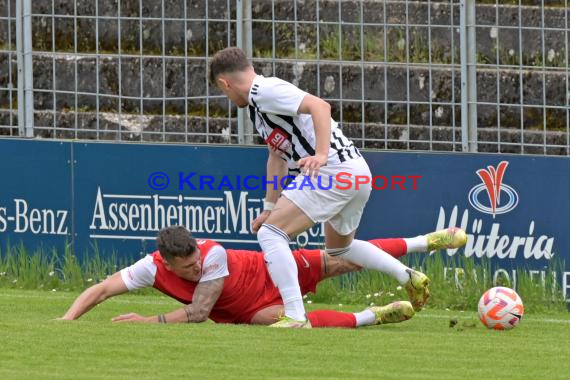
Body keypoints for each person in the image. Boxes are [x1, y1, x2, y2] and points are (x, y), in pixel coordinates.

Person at [209, 47, 432, 327]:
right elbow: (276, 156)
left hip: (333, 169)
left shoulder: (263, 90)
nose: (227, 97)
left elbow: (320, 106)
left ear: (224, 83)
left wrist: (322, 154)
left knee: (271, 235)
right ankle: (407, 275)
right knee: (340, 249)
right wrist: (269, 207)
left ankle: (294, 315)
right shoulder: (258, 108)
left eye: (224, 93)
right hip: (356, 173)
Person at [60, 226, 467, 329]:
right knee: (287, 324)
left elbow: (200, 312)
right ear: (165, 264)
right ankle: (374, 316)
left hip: (276, 271)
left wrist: (146, 323)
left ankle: (424, 242)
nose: (196, 267)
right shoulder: (148, 268)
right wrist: (67, 321)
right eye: (186, 268)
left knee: (345, 258)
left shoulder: (212, 254)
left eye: (196, 260)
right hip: (251, 310)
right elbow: (100, 290)